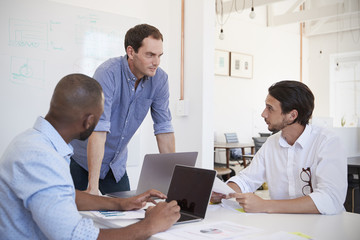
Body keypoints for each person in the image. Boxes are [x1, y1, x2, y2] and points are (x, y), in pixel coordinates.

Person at [0, 74, 180, 239]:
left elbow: (64, 195)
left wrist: (121, 203)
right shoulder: (41, 157)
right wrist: (149, 225)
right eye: (99, 119)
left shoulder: (34, 142)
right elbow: (75, 237)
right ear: (88, 121)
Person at [211, 80, 347, 215]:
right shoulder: (271, 144)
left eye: (270, 108)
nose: (263, 114)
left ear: (292, 115)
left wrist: (264, 205)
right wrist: (224, 192)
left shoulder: (328, 142)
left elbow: (330, 199)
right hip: (283, 226)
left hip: (324, 227)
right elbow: (246, 179)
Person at [70, 23, 175, 195]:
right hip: (82, 163)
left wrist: (174, 181)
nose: (156, 62)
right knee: (82, 216)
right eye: (150, 55)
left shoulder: (160, 79)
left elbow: (164, 129)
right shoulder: (107, 73)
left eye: (159, 55)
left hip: (115, 166)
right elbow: (99, 129)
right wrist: (93, 187)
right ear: (131, 52)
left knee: (126, 214)